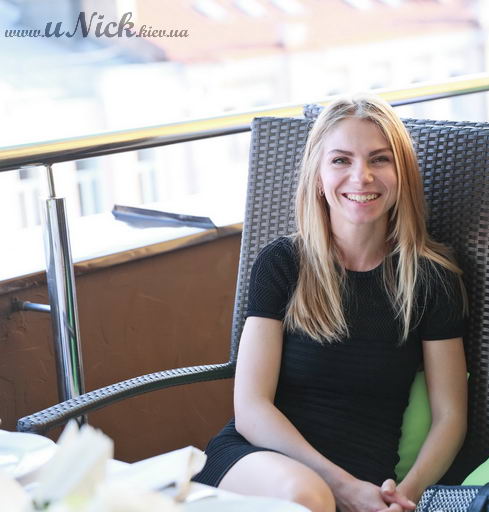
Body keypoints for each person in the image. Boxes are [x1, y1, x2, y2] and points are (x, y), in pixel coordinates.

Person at [193, 94, 468, 512]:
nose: (362, 177)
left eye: (380, 159)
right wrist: (340, 486)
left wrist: (404, 496)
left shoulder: (431, 279)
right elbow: (251, 408)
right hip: (258, 461)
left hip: (368, 481)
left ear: (403, 175)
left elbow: (450, 417)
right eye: (341, 160)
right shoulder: (283, 263)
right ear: (318, 177)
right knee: (308, 497)